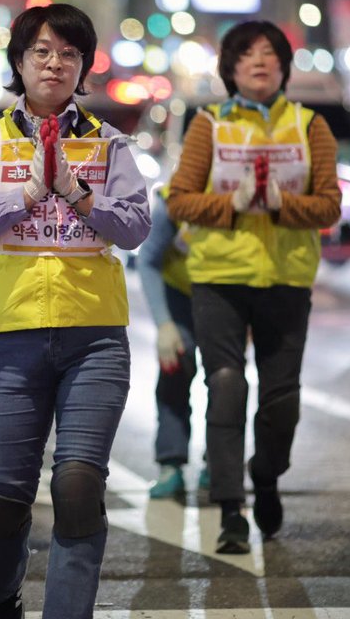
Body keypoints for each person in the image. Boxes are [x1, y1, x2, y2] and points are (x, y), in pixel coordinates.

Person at [0, 4, 151, 619]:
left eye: (68, 53)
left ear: (84, 66)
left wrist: (78, 194)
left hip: (95, 337)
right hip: (13, 333)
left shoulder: (109, 143)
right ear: (19, 61)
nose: (54, 63)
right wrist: (26, 193)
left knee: (78, 487)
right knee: (2, 501)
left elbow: (135, 227)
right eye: (41, 51)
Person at [167, 20, 340, 554]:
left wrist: (283, 206)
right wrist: (233, 204)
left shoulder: (309, 125)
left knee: (281, 400)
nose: (260, 62)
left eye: (269, 53)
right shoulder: (209, 125)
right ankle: (229, 508)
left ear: (285, 66)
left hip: (287, 279)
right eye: (247, 55)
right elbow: (179, 199)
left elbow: (330, 205)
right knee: (225, 385)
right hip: (218, 277)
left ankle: (265, 474)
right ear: (230, 69)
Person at [137, 185, 208, 498]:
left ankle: (219, 465)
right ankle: (171, 463)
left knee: (226, 377)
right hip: (178, 293)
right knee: (175, 364)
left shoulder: (239, 192)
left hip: (224, 294)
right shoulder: (173, 198)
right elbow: (148, 259)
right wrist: (164, 324)